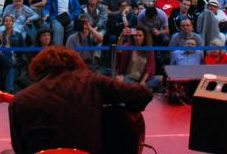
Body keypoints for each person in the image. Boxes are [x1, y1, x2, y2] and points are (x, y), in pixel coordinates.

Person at [8, 46, 153, 154]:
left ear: (38, 69)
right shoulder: (91, 81)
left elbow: (19, 148)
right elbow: (143, 93)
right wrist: (116, 112)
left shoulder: (19, 101)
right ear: (75, 63)